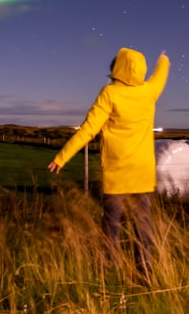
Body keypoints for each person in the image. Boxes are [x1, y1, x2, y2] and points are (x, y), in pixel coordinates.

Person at [48, 47, 170, 276]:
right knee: (142, 223)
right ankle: (145, 270)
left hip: (117, 172)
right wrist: (163, 59)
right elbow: (160, 75)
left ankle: (108, 268)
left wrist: (62, 156)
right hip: (142, 173)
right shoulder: (149, 91)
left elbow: (88, 130)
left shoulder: (110, 93)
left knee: (111, 222)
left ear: (117, 68)